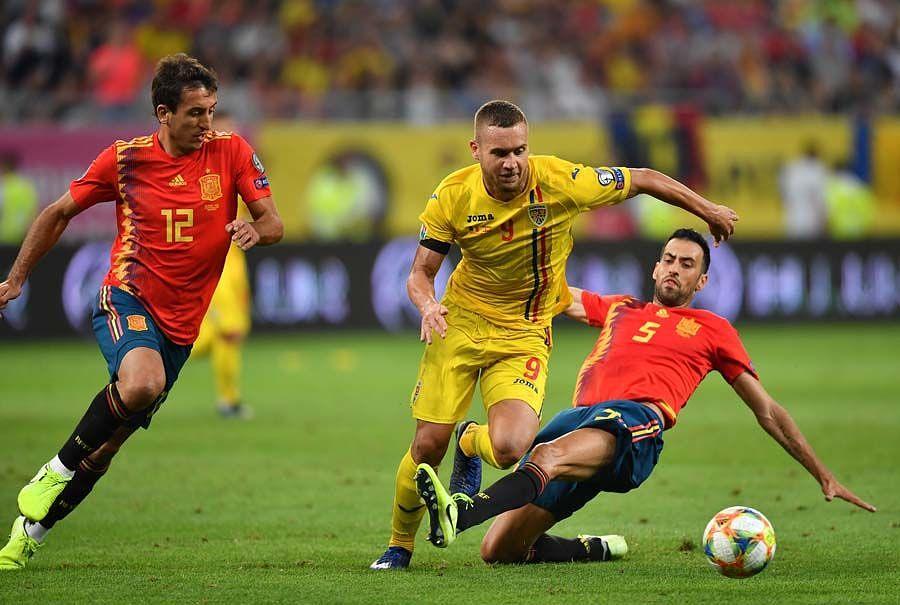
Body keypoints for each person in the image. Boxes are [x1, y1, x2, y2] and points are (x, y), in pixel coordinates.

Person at [370, 100, 739, 570]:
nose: (512, 163)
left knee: (507, 449)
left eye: (520, 151)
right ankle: (399, 546)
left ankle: (471, 443)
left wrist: (706, 209)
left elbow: (644, 176)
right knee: (426, 447)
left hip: (524, 332)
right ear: (476, 150)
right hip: (460, 322)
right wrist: (427, 304)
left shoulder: (561, 180)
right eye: (500, 153)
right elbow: (421, 272)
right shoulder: (452, 195)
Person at [415, 228, 876, 565]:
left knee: (549, 455)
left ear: (701, 283)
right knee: (500, 552)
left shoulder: (714, 330)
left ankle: (462, 510)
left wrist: (822, 474)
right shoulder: (620, 308)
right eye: (670, 259)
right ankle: (591, 547)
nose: (675, 267)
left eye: (688, 264)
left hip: (636, 422)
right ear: (656, 267)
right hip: (579, 417)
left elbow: (767, 410)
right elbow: (546, 293)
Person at [0, 53, 283, 570]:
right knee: (141, 383)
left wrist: (254, 231)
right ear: (163, 112)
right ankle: (57, 468)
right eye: (195, 113)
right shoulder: (125, 159)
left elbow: (274, 222)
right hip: (127, 297)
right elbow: (58, 212)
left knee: (106, 449)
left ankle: (27, 535)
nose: (207, 124)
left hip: (181, 327)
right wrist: (17, 278)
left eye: (212, 111)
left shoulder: (232, 151)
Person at [191, 111, 254, 419]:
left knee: (227, 333)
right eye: (226, 131)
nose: (233, 138)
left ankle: (155, 354)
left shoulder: (238, 164)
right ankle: (228, 401)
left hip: (235, 258)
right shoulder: (201, 169)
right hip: (216, 260)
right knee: (226, 331)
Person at [0, 152, 38, 244]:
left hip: (3, 237)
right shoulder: (26, 187)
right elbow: (33, 214)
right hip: (22, 238)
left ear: (3, 167)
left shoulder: (3, 186)